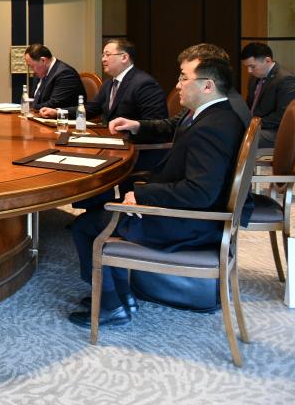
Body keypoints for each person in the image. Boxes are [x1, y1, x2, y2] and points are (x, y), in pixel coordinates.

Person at [69, 45, 247, 328]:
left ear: (208, 86)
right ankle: (122, 297)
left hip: (192, 223)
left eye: (184, 78)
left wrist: (141, 194)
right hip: (195, 215)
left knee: (86, 226)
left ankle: (111, 306)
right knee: (103, 213)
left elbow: (200, 193)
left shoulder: (212, 127)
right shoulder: (215, 115)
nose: (177, 85)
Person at [40, 38, 166, 125]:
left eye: (107, 55)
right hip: (110, 139)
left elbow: (155, 124)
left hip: (133, 146)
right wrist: (58, 112)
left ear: (124, 57)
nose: (103, 59)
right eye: (103, 55)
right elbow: (92, 108)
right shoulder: (109, 82)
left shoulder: (144, 84)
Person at [239, 42, 295, 147]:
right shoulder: (254, 78)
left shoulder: (285, 79)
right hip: (256, 125)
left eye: (252, 66)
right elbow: (250, 107)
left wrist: (253, 125)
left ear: (267, 60)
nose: (249, 71)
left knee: (240, 137)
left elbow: (282, 115)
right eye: (247, 67)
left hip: (275, 130)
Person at [24, 44, 85, 112]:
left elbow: (54, 103)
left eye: (32, 66)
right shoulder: (40, 73)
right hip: (39, 115)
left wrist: (30, 107)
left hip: (64, 117)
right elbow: (34, 99)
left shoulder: (65, 74)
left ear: (43, 60)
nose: (32, 70)